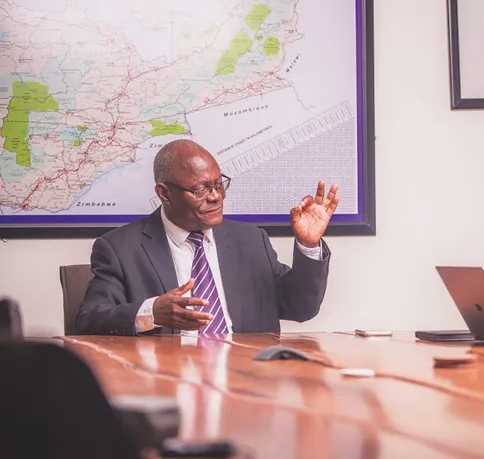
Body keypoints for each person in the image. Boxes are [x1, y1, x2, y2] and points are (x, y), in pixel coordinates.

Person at [74, 139, 339, 336]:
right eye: (200, 190)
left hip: (246, 375)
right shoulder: (120, 248)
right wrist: (151, 313)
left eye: (218, 184)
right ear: (164, 193)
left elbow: (300, 308)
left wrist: (308, 244)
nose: (216, 197)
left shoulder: (250, 240)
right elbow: (88, 320)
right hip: (167, 377)